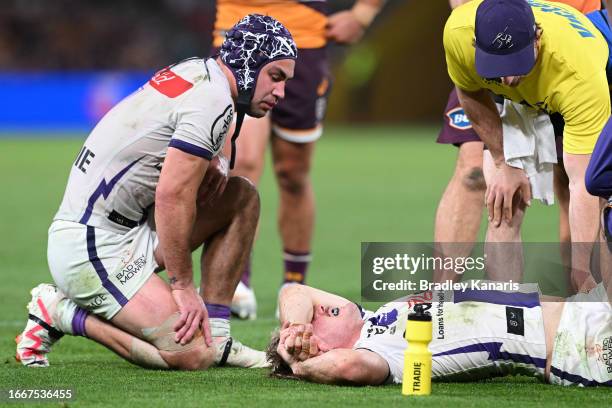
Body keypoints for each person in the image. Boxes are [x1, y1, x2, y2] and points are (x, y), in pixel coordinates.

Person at [15, 14, 297, 370]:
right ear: (248, 65)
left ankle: (220, 336)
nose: (281, 92)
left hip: (128, 225)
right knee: (192, 354)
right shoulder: (213, 100)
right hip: (92, 245)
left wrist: (217, 162)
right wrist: (183, 286)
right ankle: (61, 312)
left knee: (242, 196)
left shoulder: (200, 71)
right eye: (275, 77)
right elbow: (172, 196)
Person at [212, 0, 387, 320]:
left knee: (292, 173)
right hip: (240, 34)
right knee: (242, 162)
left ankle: (294, 283)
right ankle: (237, 280)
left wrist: (363, 14)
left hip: (305, 39)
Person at [442, 0, 610, 291]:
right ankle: (501, 314)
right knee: (503, 199)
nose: (507, 78)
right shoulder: (458, 32)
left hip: (571, 75)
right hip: (531, 82)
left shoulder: (578, 75)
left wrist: (583, 269)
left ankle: (597, 308)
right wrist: (502, 161)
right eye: (497, 66)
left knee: (604, 202)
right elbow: (469, 91)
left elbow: (584, 183)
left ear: (538, 37)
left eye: (515, 62)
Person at [267, 282, 611, 386]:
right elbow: (346, 368)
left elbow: (292, 291)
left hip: (583, 307)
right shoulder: (380, 355)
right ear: (322, 348)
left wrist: (295, 328)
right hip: (578, 348)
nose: (324, 307)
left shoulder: (373, 317)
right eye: (320, 319)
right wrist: (300, 365)